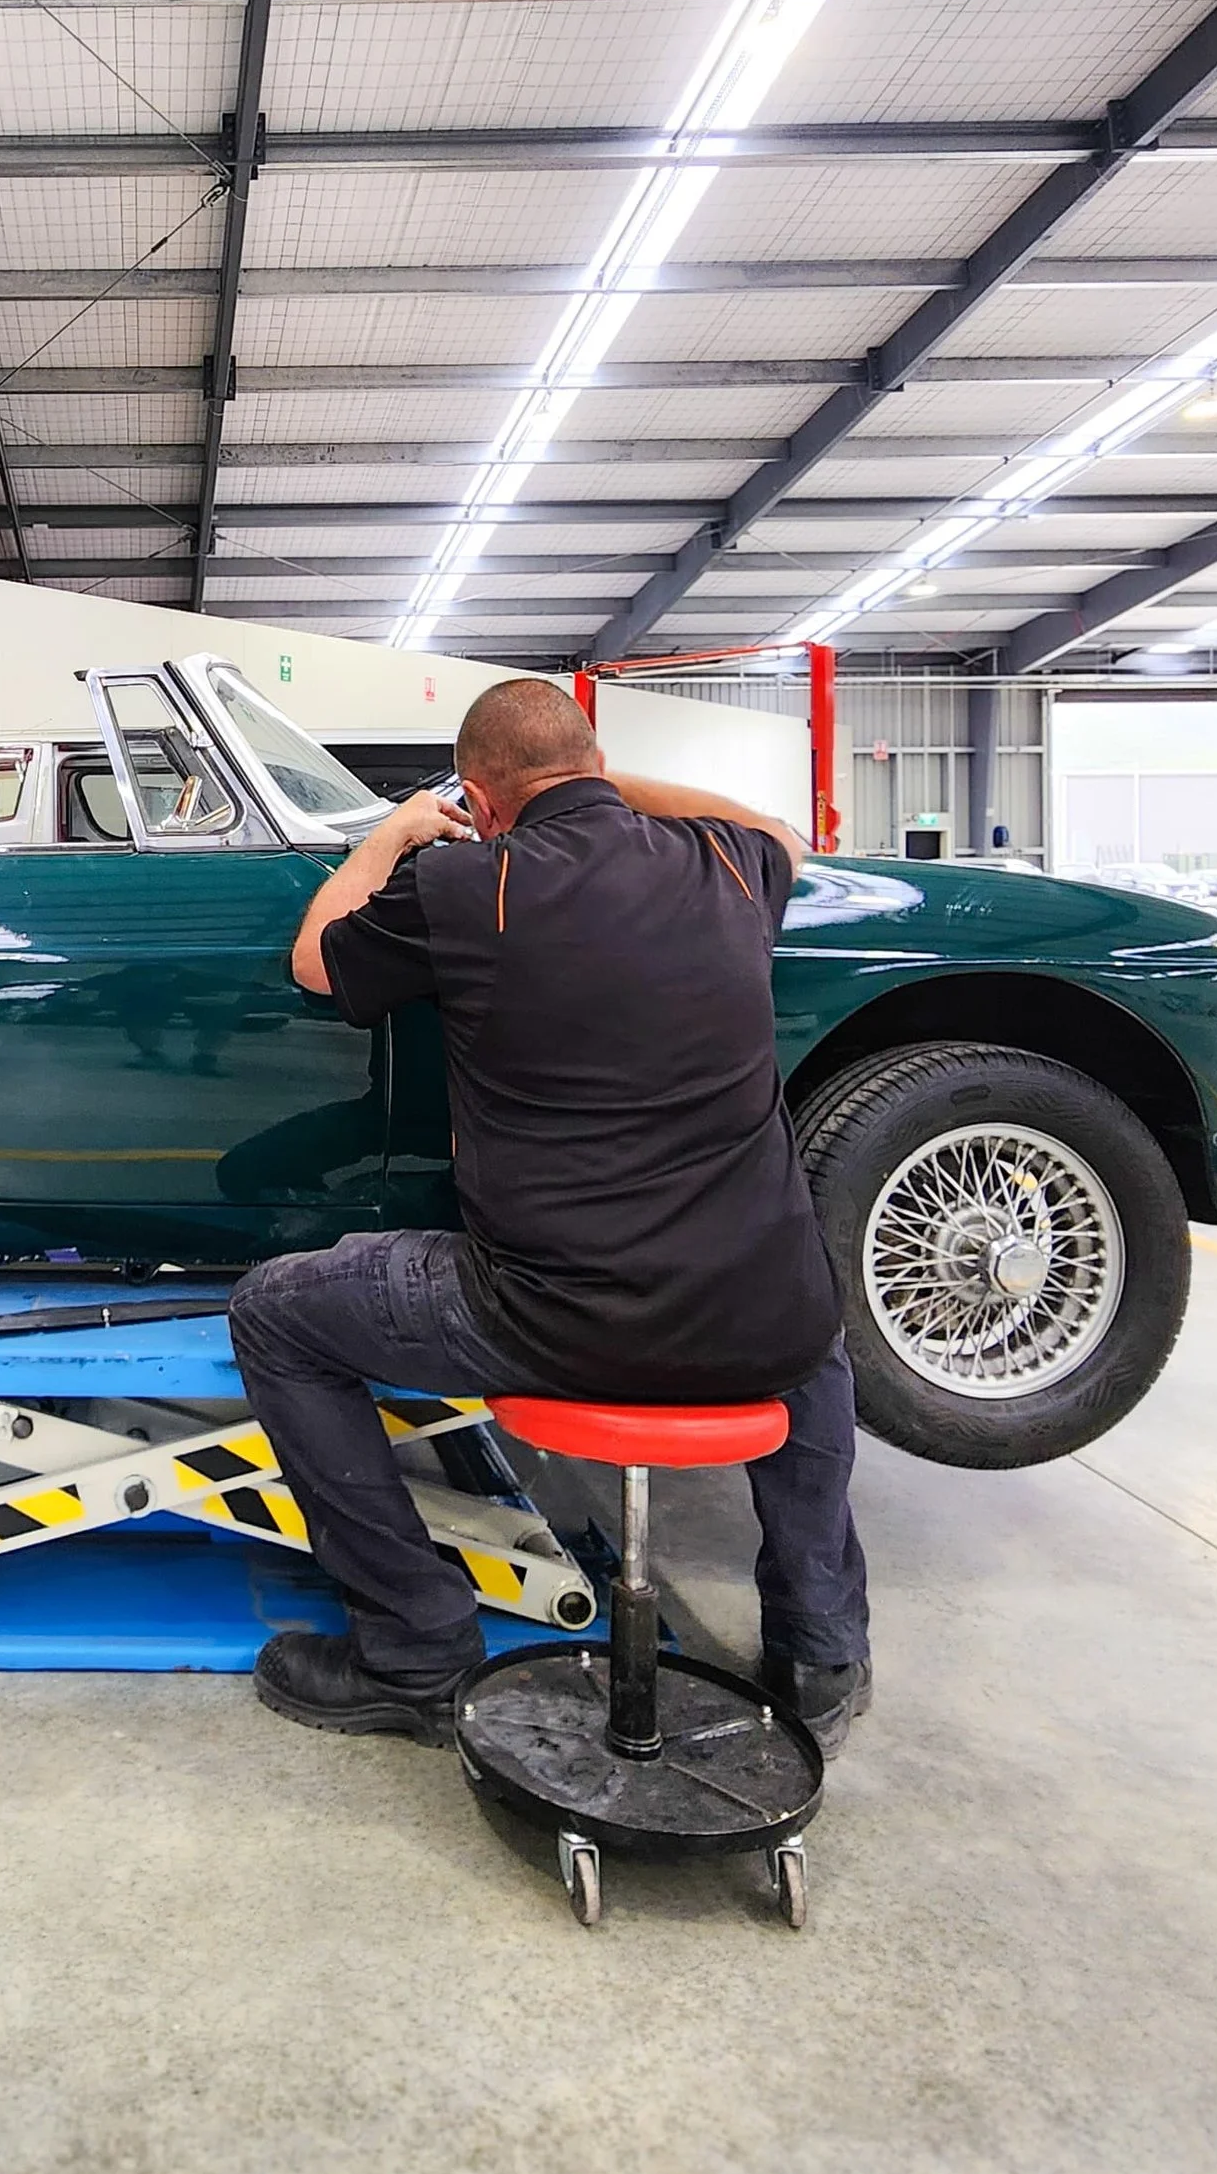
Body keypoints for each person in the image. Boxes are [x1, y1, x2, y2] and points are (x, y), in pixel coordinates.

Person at [228, 676, 871, 1753]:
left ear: (479, 798)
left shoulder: (466, 884)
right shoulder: (729, 862)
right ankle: (820, 1650)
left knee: (273, 1312)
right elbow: (774, 829)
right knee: (807, 1327)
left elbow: (314, 958)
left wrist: (387, 836)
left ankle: (416, 1648)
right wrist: (602, 780)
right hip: (753, 1318)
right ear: (594, 762)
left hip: (552, 1318)